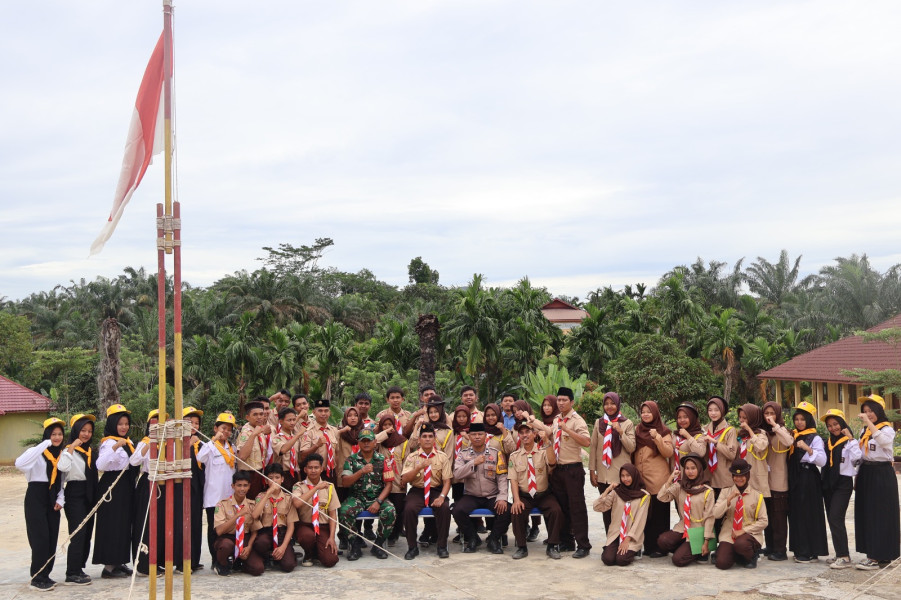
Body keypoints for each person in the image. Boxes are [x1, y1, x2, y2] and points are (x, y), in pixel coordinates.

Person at [16, 417, 66, 591]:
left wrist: (60, 499)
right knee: (40, 539)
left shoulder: (61, 455)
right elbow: (19, 463)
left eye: (60, 434)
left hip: (52, 498)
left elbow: (62, 481)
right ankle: (37, 577)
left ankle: (46, 574)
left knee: (52, 538)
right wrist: (44, 444)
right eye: (53, 434)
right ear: (46, 435)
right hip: (36, 497)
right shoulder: (36, 453)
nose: (57, 438)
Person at [853, 395, 900, 570]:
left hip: (882, 473)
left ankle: (880, 555)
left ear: (879, 411)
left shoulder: (887, 429)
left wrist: (869, 424)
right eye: (865, 411)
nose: (867, 414)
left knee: (881, 514)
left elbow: (883, 442)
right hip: (866, 471)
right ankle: (872, 553)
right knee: (867, 513)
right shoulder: (864, 431)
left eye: (871, 411)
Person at [93, 404, 137, 579]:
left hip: (126, 485)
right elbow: (100, 465)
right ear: (112, 424)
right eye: (120, 424)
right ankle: (108, 567)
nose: (124, 427)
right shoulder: (108, 443)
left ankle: (120, 561)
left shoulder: (129, 442)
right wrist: (115, 447)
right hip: (112, 486)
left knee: (124, 525)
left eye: (126, 424)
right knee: (112, 525)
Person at [452, 422, 511, 554]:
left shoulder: (496, 454)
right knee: (457, 511)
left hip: (492, 495)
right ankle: (473, 538)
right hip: (471, 495)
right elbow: (457, 474)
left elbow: (502, 477)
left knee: (507, 510)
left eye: (480, 434)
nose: (477, 437)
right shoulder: (463, 454)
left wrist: (502, 497)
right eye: (474, 434)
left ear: (486, 436)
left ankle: (494, 540)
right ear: (469, 436)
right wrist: (473, 462)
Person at [338, 428, 395, 560]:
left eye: (369, 441)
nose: (366, 444)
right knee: (344, 511)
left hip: (377, 497)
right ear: (358, 443)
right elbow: (345, 482)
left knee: (390, 510)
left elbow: (389, 485)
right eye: (363, 441)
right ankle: (355, 545)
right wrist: (361, 471)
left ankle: (378, 545)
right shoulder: (351, 460)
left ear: (375, 442)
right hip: (356, 497)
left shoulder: (383, 460)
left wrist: (378, 501)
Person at [508, 420, 562, 559]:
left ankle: (552, 545)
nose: (525, 435)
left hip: (543, 494)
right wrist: (516, 500)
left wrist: (547, 442)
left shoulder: (543, 452)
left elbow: (552, 463)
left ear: (534, 434)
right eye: (521, 433)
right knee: (516, 511)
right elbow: (513, 479)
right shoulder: (514, 456)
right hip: (525, 495)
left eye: (527, 432)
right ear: (519, 436)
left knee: (555, 510)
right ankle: (521, 547)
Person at [549, 387, 592, 558]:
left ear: (572, 402)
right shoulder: (556, 419)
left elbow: (586, 442)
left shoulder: (577, 420)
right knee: (562, 507)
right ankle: (567, 541)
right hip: (558, 470)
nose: (560, 403)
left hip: (573, 469)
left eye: (564, 400)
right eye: (558, 400)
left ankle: (583, 545)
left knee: (577, 508)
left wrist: (567, 430)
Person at [57, 413, 97, 586]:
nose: (86, 434)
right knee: (78, 533)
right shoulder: (68, 450)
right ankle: (71, 573)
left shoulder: (89, 451)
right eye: (83, 430)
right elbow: (63, 468)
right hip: (74, 493)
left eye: (89, 431)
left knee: (87, 533)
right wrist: (72, 447)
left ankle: (79, 568)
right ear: (75, 431)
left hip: (89, 492)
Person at [401, 424, 452, 560]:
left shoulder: (442, 457)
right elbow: (404, 479)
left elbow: (447, 481)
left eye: (430, 436)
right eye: (424, 436)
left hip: (436, 490)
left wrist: (442, 497)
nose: (427, 439)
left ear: (434, 439)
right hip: (417, 490)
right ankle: (412, 547)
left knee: (445, 508)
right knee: (409, 509)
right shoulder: (412, 457)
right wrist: (418, 468)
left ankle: (441, 546)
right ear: (419, 440)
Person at [656, 453, 715, 567]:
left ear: (699, 469)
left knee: (678, 560)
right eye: (687, 468)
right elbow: (661, 497)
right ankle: (687, 548)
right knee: (662, 540)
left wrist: (706, 540)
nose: (690, 471)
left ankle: (698, 551)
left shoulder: (707, 491)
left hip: (698, 530)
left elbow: (709, 517)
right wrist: (670, 479)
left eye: (693, 468)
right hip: (683, 528)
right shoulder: (680, 486)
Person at [588, 392, 636, 532]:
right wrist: (592, 471)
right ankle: (610, 541)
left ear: (618, 404)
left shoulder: (627, 423)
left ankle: (624, 540)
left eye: (612, 403)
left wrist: (620, 432)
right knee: (606, 510)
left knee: (622, 510)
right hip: (603, 475)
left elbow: (631, 447)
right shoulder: (599, 423)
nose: (609, 406)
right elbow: (593, 448)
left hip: (621, 476)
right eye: (606, 404)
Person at [632, 400, 674, 558]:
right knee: (645, 514)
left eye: (649, 411)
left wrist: (657, 437)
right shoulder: (637, 430)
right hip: (641, 480)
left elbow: (668, 452)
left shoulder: (664, 431)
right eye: (643, 412)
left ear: (655, 413)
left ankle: (661, 547)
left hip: (657, 479)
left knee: (659, 515)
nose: (646, 414)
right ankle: (648, 546)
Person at [197, 412, 237, 573]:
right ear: (215, 428)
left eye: (229, 430)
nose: (226, 432)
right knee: (213, 530)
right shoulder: (210, 447)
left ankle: (225, 557)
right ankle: (215, 559)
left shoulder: (232, 448)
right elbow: (200, 458)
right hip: (214, 498)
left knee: (229, 528)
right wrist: (212, 440)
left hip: (229, 497)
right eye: (223, 428)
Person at [819, 408, 859, 569]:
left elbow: (857, 459)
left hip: (843, 484)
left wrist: (851, 440)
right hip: (828, 483)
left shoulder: (849, 442)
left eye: (835, 424)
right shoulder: (828, 442)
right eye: (829, 425)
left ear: (842, 424)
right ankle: (839, 553)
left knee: (836, 517)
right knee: (832, 519)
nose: (833, 428)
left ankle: (844, 556)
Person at [788, 401, 828, 563]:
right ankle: (799, 549)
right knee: (797, 513)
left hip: (808, 478)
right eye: (796, 419)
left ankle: (810, 551)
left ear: (809, 420)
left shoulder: (815, 438)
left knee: (808, 513)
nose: (799, 422)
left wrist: (807, 448)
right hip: (795, 478)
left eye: (802, 419)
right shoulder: (792, 435)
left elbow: (822, 461)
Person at [713, 458, 768, 570]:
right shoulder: (725, 492)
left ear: (747, 476)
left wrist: (743, 531)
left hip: (749, 535)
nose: (739, 478)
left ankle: (752, 555)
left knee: (741, 544)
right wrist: (728, 499)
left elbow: (764, 521)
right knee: (722, 563)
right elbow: (715, 514)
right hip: (729, 533)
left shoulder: (757, 495)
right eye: (735, 475)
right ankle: (735, 554)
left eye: (742, 475)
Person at [593, 464, 650, 567]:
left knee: (621, 560)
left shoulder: (644, 496)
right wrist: (608, 490)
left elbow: (640, 521)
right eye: (622, 476)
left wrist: (627, 539)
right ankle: (612, 548)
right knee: (608, 560)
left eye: (628, 475)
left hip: (631, 535)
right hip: (616, 533)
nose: (625, 479)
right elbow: (598, 507)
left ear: (634, 475)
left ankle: (635, 550)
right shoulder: (616, 492)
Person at [248, 463, 298, 574]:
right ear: (265, 481)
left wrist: (283, 547)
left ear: (282, 479)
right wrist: (268, 493)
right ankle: (266, 556)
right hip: (265, 533)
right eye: (270, 478)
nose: (274, 481)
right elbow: (254, 515)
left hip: (281, 533)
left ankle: (280, 555)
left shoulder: (288, 498)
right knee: (261, 543)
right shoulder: (261, 497)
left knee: (288, 566)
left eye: (277, 477)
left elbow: (291, 526)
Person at [292, 453, 340, 568]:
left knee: (330, 561)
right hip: (305, 525)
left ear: (321, 469)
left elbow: (333, 514)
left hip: (323, 526)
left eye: (316, 467)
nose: (313, 470)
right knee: (307, 536)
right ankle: (308, 554)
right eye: (310, 468)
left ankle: (318, 552)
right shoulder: (298, 486)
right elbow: (297, 503)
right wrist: (316, 488)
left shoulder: (330, 487)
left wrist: (332, 537)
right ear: (305, 469)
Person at [212, 471, 260, 576]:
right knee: (225, 545)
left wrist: (249, 547)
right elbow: (219, 531)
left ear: (249, 487)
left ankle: (239, 563)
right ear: (233, 486)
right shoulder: (222, 504)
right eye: (239, 485)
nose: (242, 489)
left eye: (245, 486)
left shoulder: (252, 505)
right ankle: (221, 563)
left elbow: (255, 531)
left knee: (258, 569)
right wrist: (238, 515)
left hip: (245, 538)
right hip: (228, 538)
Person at [761, 401, 792, 561]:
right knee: (768, 516)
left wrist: (775, 426)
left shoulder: (782, 431)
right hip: (765, 482)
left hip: (780, 482)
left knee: (779, 518)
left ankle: (780, 550)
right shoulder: (762, 433)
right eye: (766, 414)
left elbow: (789, 442)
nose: (769, 417)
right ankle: (770, 546)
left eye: (772, 413)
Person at [377, 415, 413, 547]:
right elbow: (371, 442)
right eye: (384, 425)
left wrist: (405, 477)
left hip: (398, 481)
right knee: (385, 509)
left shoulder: (402, 441)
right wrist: (384, 433)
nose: (388, 427)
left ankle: (394, 534)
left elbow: (407, 461)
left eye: (389, 425)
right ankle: (383, 532)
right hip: (382, 481)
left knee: (398, 508)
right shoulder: (380, 443)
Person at [704, 396, 736, 535]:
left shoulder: (730, 430)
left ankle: (723, 543)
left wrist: (715, 442)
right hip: (709, 477)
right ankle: (710, 542)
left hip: (723, 478)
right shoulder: (705, 429)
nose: (713, 413)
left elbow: (731, 454)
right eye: (710, 410)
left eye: (716, 410)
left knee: (723, 512)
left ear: (722, 411)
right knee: (710, 513)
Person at [298, 398, 340, 484]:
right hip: (315, 474)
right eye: (320, 411)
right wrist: (316, 445)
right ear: (314, 412)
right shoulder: (308, 431)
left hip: (331, 473)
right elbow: (302, 455)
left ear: (330, 413)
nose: (323, 413)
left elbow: (336, 453)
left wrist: (335, 471)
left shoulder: (334, 430)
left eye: (326, 411)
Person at [236, 399, 271, 500]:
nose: (259, 417)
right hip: (248, 475)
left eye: (261, 414)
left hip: (260, 474)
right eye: (255, 414)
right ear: (247, 417)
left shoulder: (260, 429)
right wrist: (254, 435)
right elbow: (242, 456)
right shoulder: (246, 433)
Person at [736, 404, 770, 499]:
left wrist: (749, 430)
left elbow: (760, 446)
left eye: (745, 418)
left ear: (753, 418)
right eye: (740, 417)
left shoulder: (761, 434)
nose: (742, 420)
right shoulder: (741, 434)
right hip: (742, 477)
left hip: (756, 479)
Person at [271, 407, 304, 491]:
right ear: (281, 421)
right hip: (282, 474)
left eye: (294, 420)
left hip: (296, 474)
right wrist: (298, 435)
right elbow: (283, 450)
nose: (292, 423)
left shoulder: (296, 438)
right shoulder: (277, 438)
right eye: (289, 420)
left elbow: (298, 458)